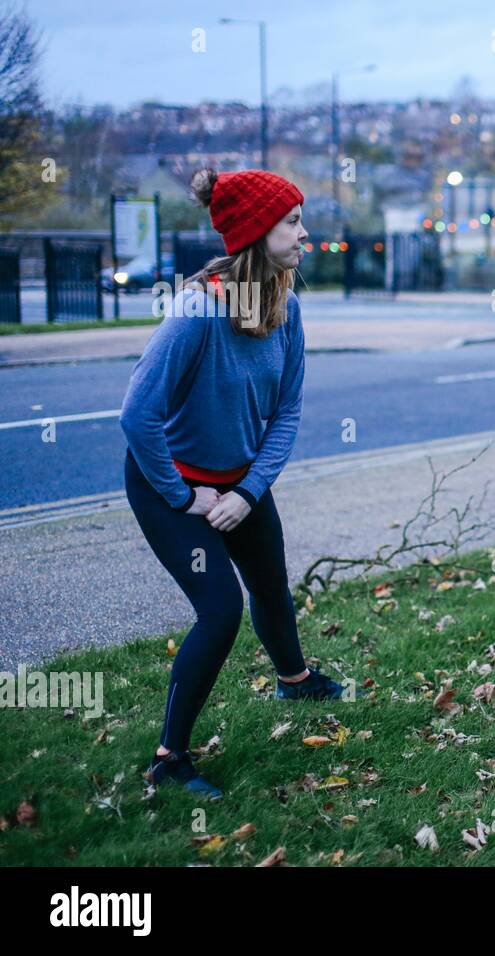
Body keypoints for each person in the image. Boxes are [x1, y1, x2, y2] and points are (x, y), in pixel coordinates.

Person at [121, 167, 346, 801]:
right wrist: (186, 497)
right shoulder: (194, 313)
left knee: (271, 583)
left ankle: (295, 679)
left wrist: (247, 493)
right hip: (168, 484)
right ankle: (169, 758)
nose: (306, 232)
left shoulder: (287, 306)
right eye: (293, 221)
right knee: (220, 610)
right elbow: (137, 417)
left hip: (238, 482)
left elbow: (288, 411)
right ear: (255, 231)